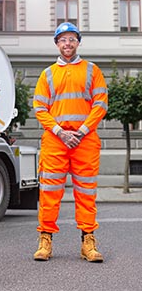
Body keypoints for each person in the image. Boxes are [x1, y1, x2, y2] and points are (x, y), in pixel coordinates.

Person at [32, 22, 108, 263]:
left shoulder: (92, 70)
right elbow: (39, 108)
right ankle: (45, 241)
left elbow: (101, 104)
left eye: (71, 39)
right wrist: (60, 132)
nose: (67, 43)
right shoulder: (47, 74)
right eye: (63, 39)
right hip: (56, 141)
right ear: (57, 43)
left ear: (78, 42)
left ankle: (88, 241)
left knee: (86, 193)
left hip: (84, 141)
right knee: (49, 193)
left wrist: (82, 131)